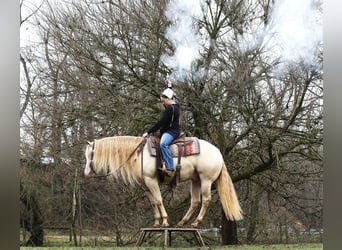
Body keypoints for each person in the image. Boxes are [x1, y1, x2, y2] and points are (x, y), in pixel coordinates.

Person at [142, 84, 180, 175]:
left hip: (172, 131)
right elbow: (170, 94)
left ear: (168, 99)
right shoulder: (176, 105)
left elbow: (161, 122)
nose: (163, 103)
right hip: (168, 130)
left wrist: (148, 132)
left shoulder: (170, 109)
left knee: (163, 144)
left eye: (163, 101)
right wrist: (169, 87)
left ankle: (169, 167)